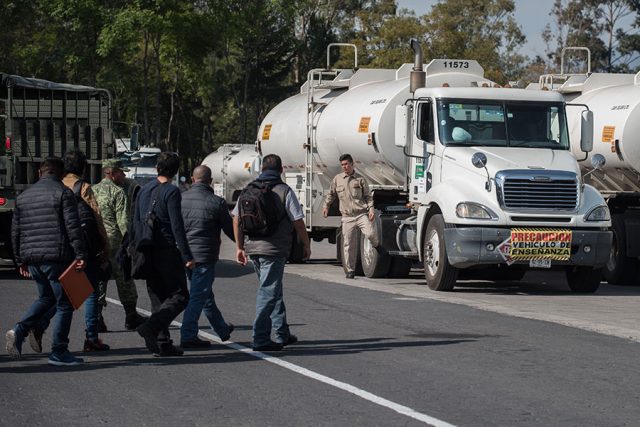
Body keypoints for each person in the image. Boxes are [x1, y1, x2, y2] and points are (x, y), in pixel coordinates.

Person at [5, 157, 88, 365]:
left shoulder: (23, 197)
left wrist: (19, 260)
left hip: (32, 258)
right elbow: (72, 227)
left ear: (40, 173)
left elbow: (14, 231)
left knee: (45, 298)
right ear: (61, 175)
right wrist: (80, 255)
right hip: (57, 257)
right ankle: (59, 351)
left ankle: (19, 331)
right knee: (65, 304)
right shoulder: (63, 193)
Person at [232, 154, 311, 352]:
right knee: (268, 291)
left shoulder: (248, 190)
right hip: (274, 249)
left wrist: (240, 247)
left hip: (253, 247)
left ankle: (282, 332)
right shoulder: (284, 190)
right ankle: (260, 338)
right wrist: (306, 244)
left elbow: (236, 219)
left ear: (261, 169)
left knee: (272, 289)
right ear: (281, 170)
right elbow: (298, 221)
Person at [134, 152, 194, 357]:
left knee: (157, 296)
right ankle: (151, 327)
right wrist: (187, 257)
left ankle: (162, 342)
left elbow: (135, 221)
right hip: (166, 249)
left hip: (145, 247)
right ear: (176, 171)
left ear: (157, 168)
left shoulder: (143, 190)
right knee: (180, 295)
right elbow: (177, 227)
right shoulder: (172, 191)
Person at [179, 165, 235, 348]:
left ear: (192, 179)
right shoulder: (216, 202)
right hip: (204, 256)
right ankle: (188, 335)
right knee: (198, 295)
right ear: (210, 181)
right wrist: (243, 244)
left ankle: (222, 330)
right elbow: (229, 229)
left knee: (204, 295)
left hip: (184, 255)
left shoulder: (180, 199)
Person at [93, 159, 145, 330]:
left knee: (100, 281)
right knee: (125, 279)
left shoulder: (93, 190)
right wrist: (132, 245)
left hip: (97, 244)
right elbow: (123, 223)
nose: (124, 175)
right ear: (112, 173)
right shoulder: (118, 192)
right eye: (121, 172)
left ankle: (97, 317)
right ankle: (131, 316)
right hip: (115, 245)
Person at [322, 153, 379, 279]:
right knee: (348, 244)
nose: (344, 167)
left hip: (361, 214)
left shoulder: (360, 179)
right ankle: (350, 270)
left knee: (370, 233)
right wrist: (326, 206)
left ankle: (377, 246)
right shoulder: (337, 179)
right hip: (347, 217)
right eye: (342, 165)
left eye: (347, 164)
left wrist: (371, 210)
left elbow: (368, 196)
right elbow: (331, 194)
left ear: (352, 164)